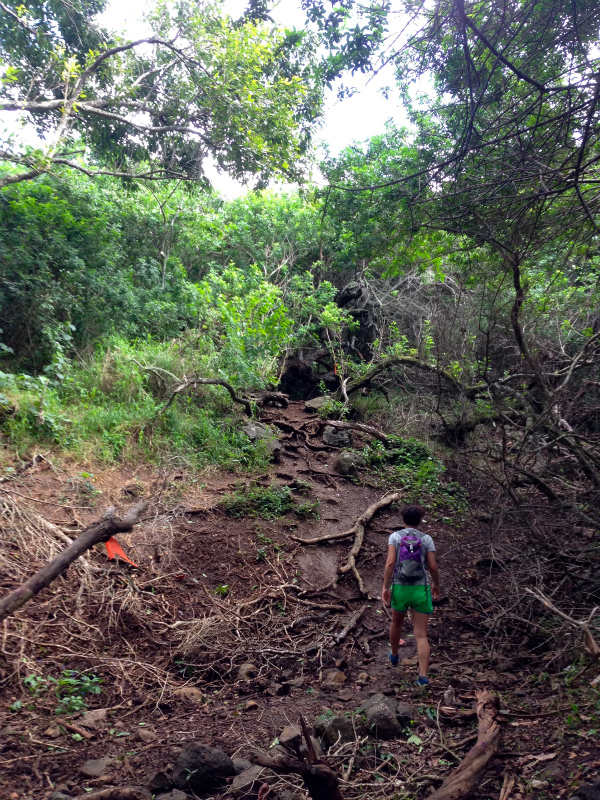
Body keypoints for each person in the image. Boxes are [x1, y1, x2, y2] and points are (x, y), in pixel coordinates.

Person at [381, 503, 440, 687]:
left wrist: (385, 586)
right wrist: (436, 584)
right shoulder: (427, 539)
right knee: (421, 634)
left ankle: (395, 655)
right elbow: (432, 566)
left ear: (403, 519)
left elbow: (390, 563)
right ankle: (422, 677)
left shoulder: (395, 537)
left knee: (396, 622)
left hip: (400, 587)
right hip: (420, 589)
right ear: (419, 520)